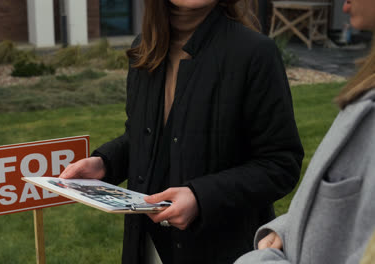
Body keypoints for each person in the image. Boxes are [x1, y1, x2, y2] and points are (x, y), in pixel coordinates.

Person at [60, 0, 304, 263]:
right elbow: (143, 138)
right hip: (145, 245)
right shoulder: (144, 49)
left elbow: (281, 164)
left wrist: (201, 197)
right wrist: (105, 163)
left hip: (221, 250)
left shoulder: (255, 53)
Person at [235, 0, 375, 263]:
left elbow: (279, 163)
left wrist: (259, 260)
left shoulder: (256, 53)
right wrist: (288, 230)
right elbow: (349, 220)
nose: (344, 6)